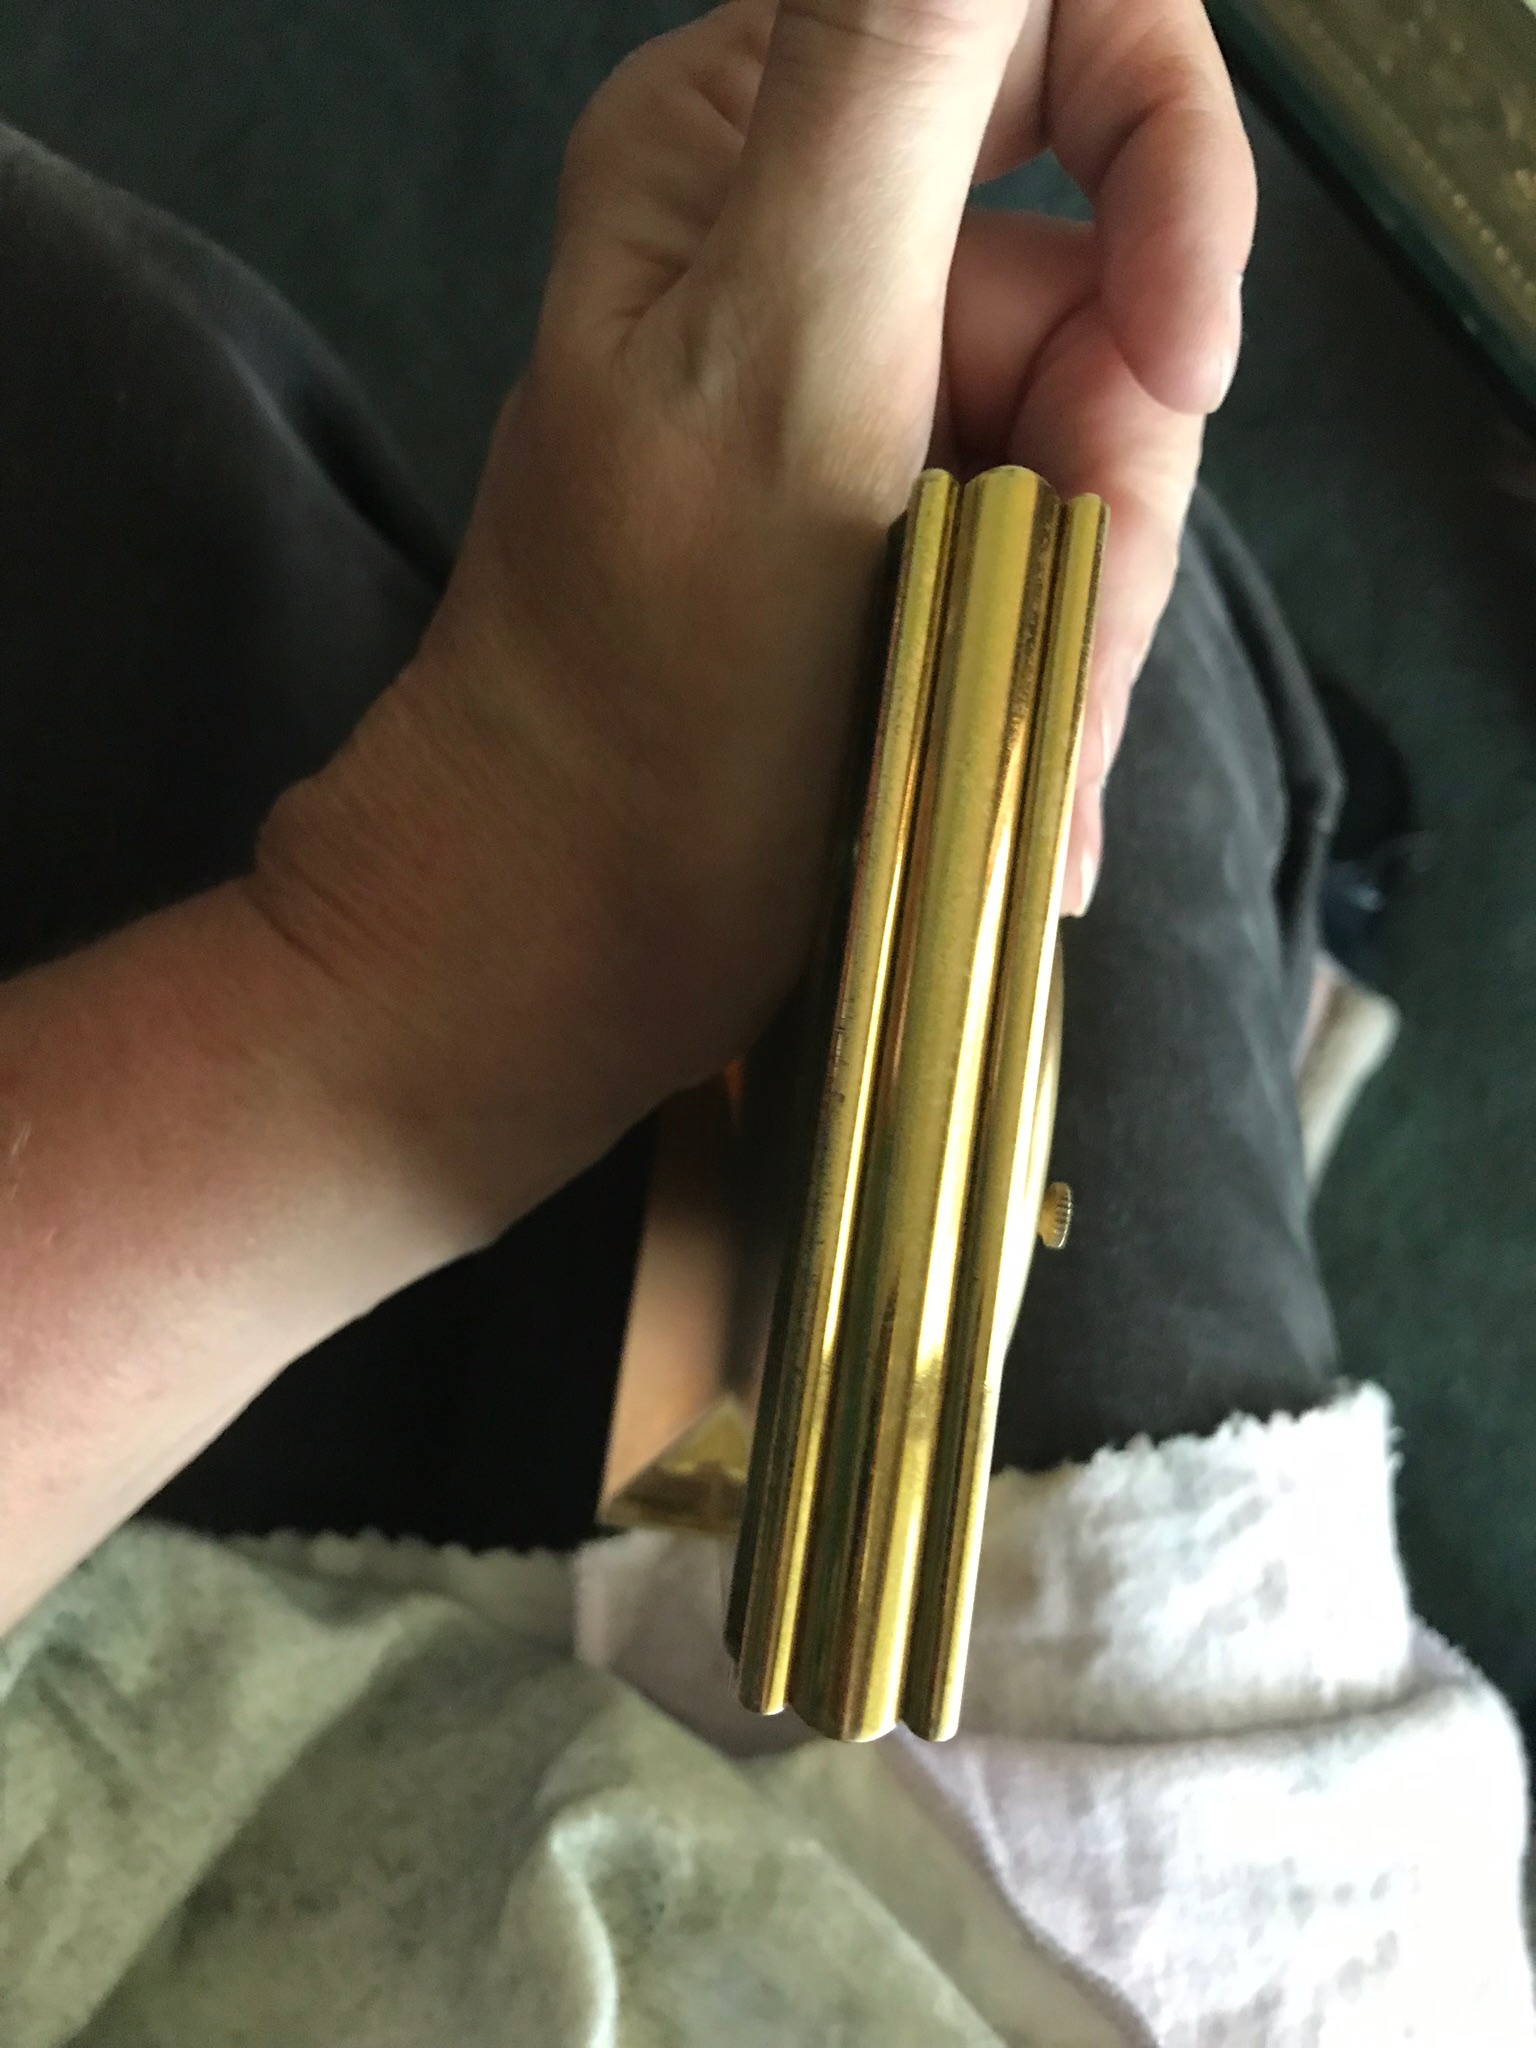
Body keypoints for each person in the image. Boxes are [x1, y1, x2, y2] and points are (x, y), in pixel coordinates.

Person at [0, 1, 1530, 2039]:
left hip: (204, 1672)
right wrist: (398, 971)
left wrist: (392, 977)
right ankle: (1267, 886)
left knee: (958, 630)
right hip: (1048, 1903)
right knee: (1113, 713)